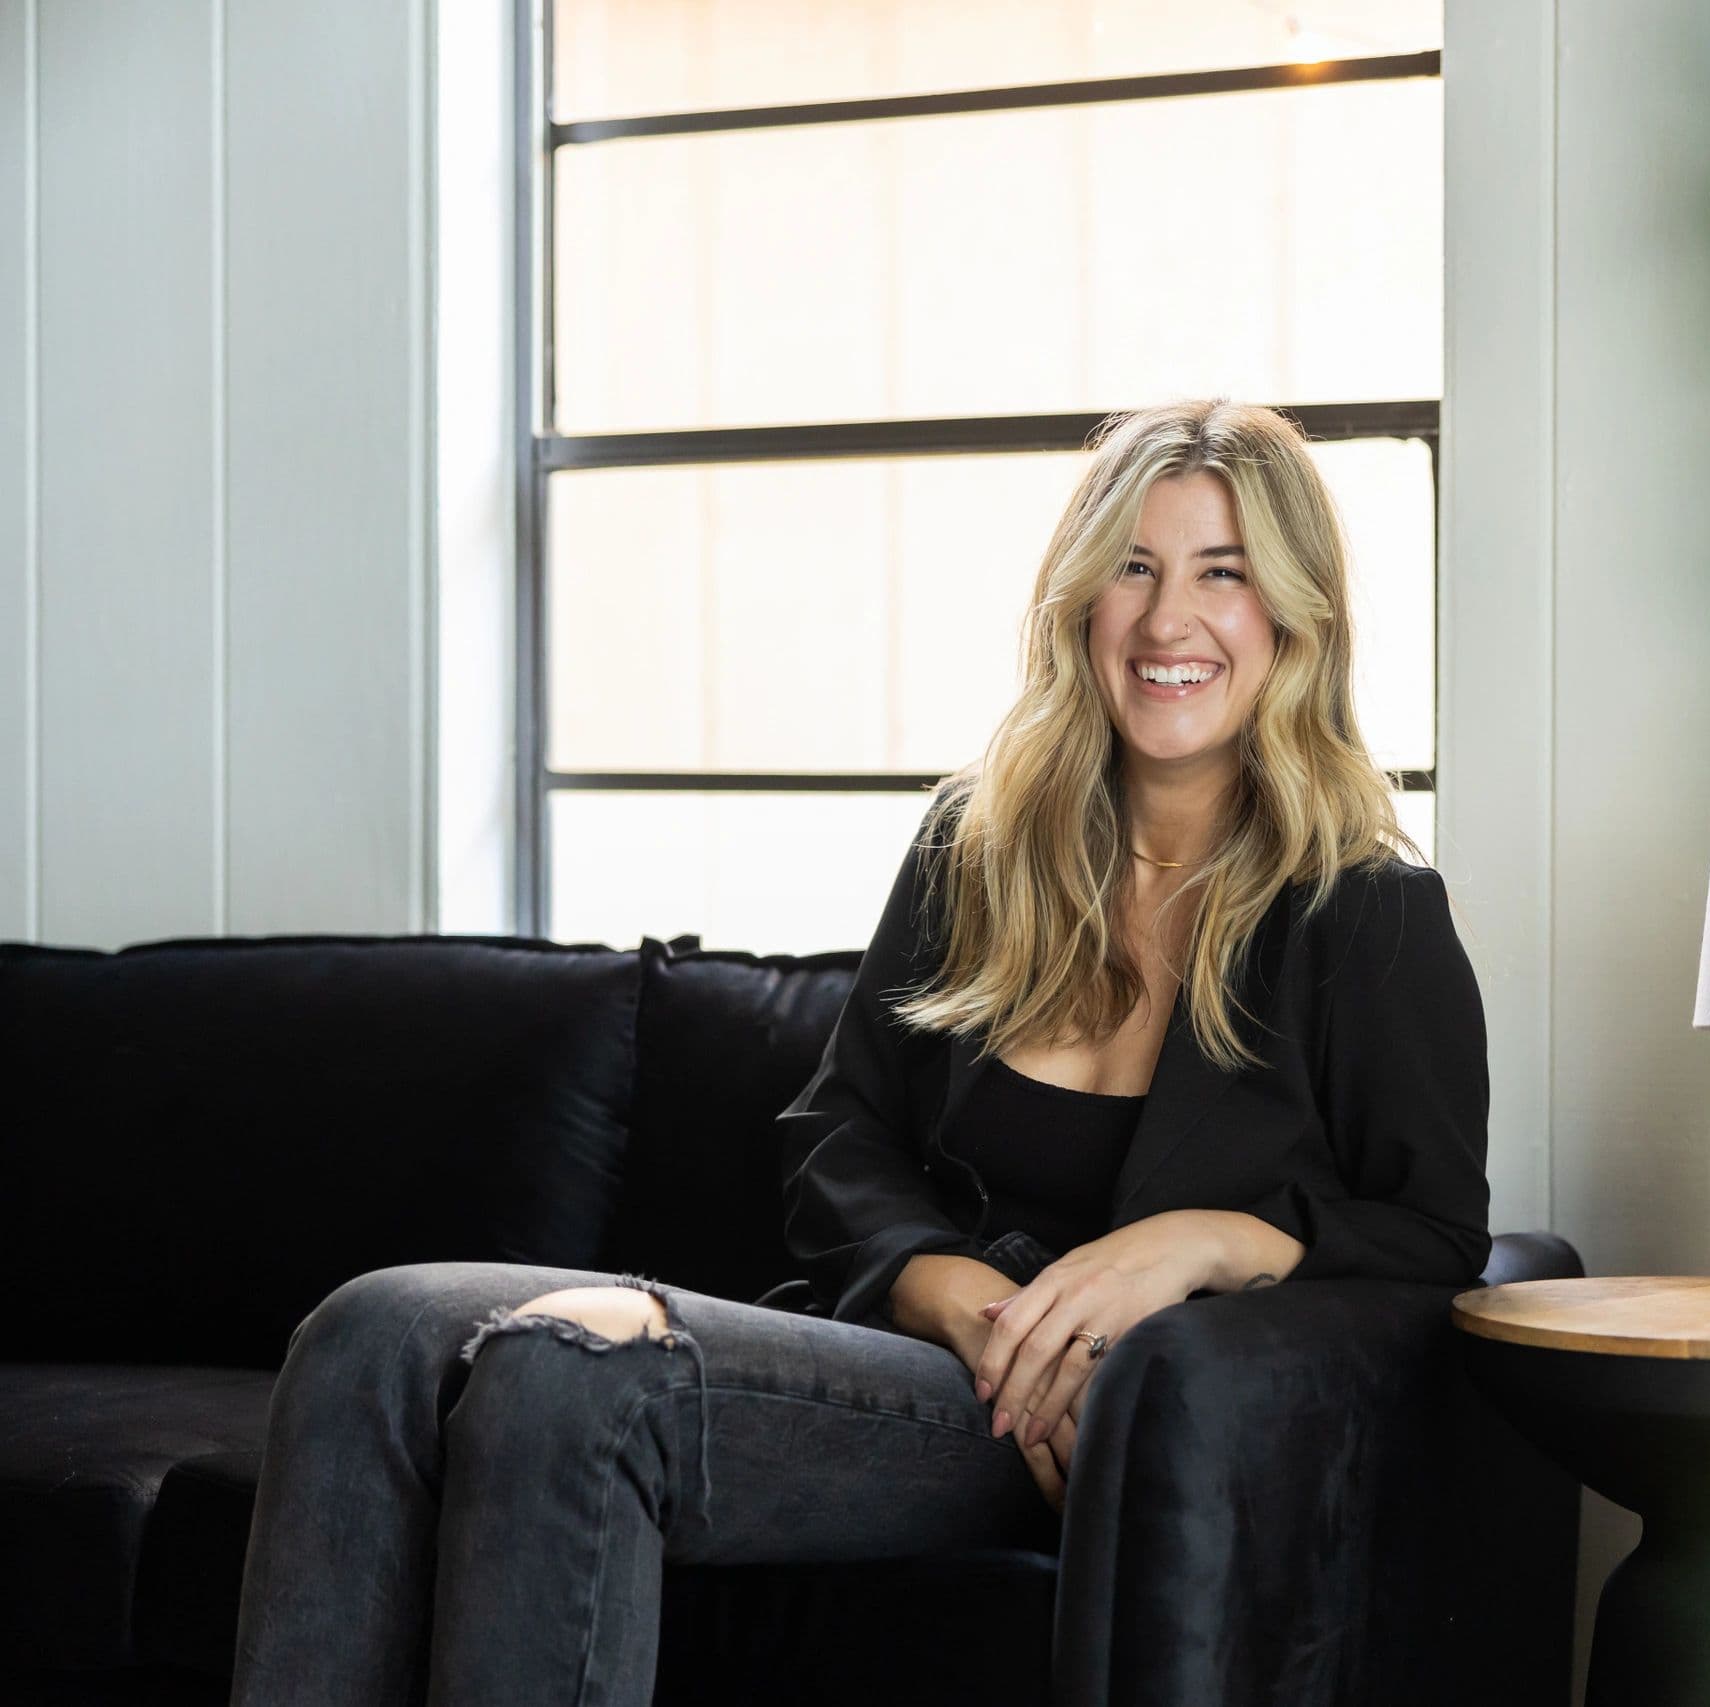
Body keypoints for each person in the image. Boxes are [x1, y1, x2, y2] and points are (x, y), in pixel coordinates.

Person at [227, 397, 1495, 1707]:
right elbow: (838, 1129)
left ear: (1291, 612)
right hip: (925, 1344)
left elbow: (1436, 1231)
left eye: (1220, 574)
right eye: (1134, 566)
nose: (1169, 621)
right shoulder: (981, 844)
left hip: (1073, 1427)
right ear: (1080, 599)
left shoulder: (1367, 914)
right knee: (369, 1330)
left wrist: (1214, 1240)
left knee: (571, 1376)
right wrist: (944, 1288)